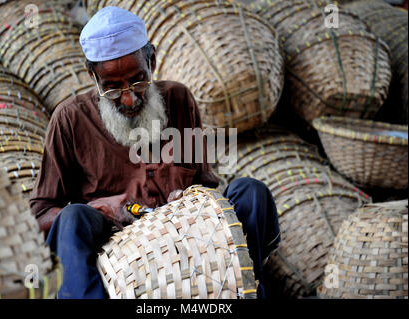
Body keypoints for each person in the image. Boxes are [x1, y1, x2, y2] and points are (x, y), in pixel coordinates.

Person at [29, 6, 281, 299]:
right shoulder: (70, 119)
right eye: (112, 88)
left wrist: (190, 196)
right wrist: (101, 208)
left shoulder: (178, 98)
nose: (128, 97)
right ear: (93, 77)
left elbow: (205, 183)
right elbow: (40, 215)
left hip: (188, 234)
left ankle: (247, 290)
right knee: (71, 219)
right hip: (115, 246)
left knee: (251, 192)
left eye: (138, 80)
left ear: (152, 62)